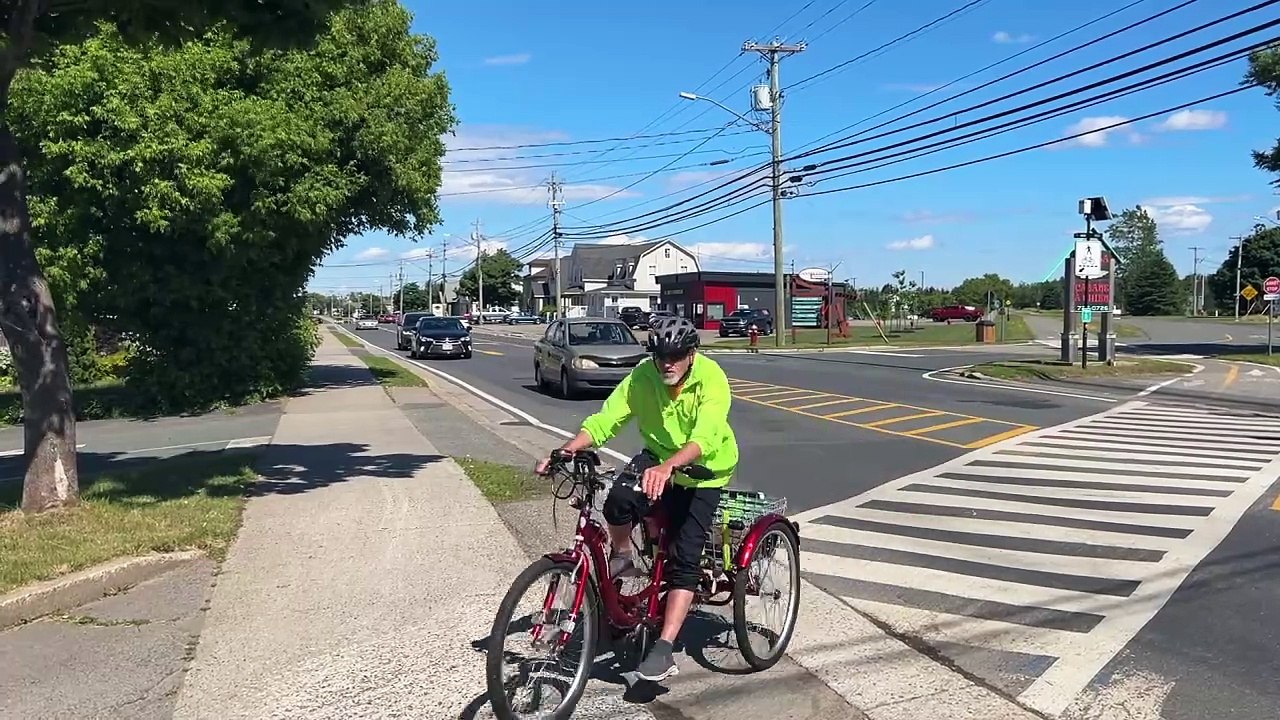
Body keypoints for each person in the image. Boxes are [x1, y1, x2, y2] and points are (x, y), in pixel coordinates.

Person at [536, 315, 738, 682]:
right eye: (661, 356)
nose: (668, 363)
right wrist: (565, 451)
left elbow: (705, 438)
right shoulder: (644, 376)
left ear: (691, 353)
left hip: (704, 469)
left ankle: (664, 647)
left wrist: (669, 468)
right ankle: (624, 555)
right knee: (617, 502)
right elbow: (606, 420)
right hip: (658, 455)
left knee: (683, 556)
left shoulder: (712, 378)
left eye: (676, 355)